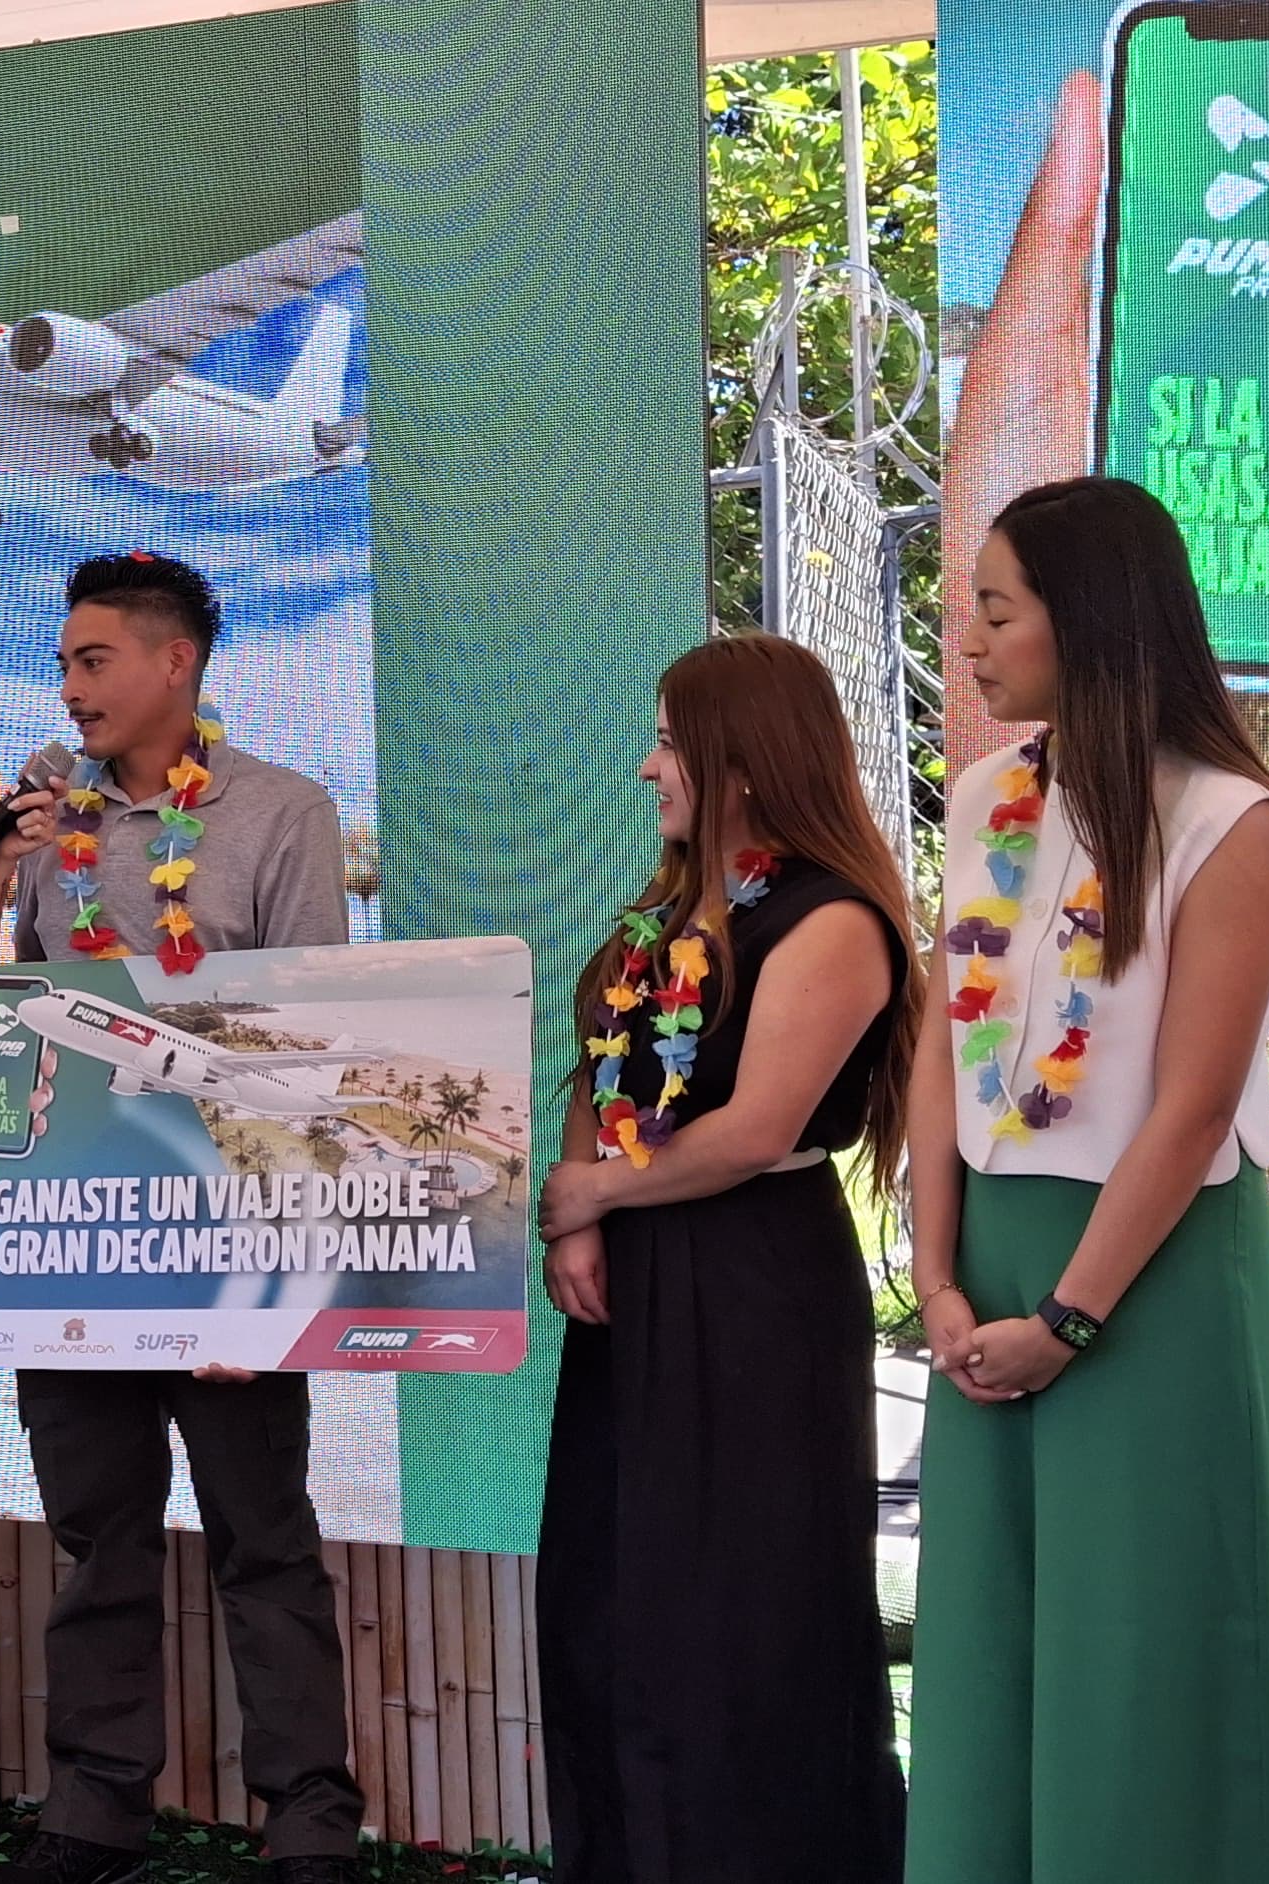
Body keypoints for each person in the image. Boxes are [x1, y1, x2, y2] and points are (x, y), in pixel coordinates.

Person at [906, 477, 1269, 1881]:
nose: (970, 640)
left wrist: (1071, 1317)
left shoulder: (1230, 819)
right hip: (994, 1268)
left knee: (1144, 1648)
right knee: (996, 1641)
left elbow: (1193, 1103)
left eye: (996, 609)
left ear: (1088, 618)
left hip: (1153, 1276)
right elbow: (944, 1044)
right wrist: (937, 1277)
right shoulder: (988, 800)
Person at [0, 550, 364, 1884]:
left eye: (94, 660)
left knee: (263, 1540)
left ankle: (309, 1823)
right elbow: (16, 1022)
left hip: (228, 1249)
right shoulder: (50, 826)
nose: (70, 687)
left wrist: (265, 1287)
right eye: (62, 663)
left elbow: (313, 1044)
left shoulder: (282, 811)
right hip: (76, 1240)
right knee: (96, 1539)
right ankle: (95, 1812)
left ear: (178, 663)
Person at [530, 636, 915, 1882]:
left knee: (738, 1607)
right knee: (611, 1593)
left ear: (742, 760)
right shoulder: (666, 913)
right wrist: (581, 1218)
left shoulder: (834, 918)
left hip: (754, 1288)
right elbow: (601, 1067)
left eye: (667, 743)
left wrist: (591, 1191)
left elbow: (754, 1130)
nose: (648, 769)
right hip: (633, 1284)